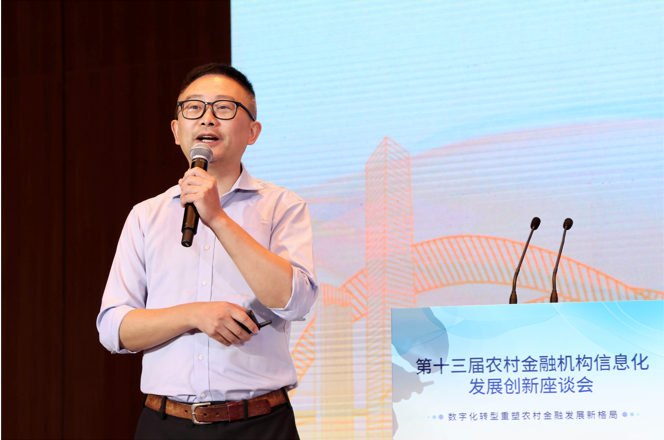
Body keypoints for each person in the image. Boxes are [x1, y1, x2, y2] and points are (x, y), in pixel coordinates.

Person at [97, 63, 318, 440]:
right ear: (176, 130)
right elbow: (114, 329)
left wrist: (216, 217)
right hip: (165, 425)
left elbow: (294, 301)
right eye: (194, 108)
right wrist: (194, 314)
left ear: (252, 132)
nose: (207, 119)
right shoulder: (146, 215)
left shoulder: (282, 207)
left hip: (260, 424)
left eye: (224, 108)